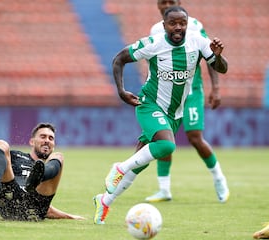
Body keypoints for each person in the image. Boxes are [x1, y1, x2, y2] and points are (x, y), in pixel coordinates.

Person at [93, 6, 228, 224]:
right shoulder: (153, 43)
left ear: (187, 23)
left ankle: (105, 201)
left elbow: (221, 68)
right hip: (150, 104)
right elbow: (119, 59)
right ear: (163, 25)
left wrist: (219, 57)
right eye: (173, 23)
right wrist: (121, 91)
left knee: (140, 163)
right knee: (167, 146)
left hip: (175, 113)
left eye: (182, 23)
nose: (178, 27)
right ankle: (119, 167)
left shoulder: (199, 41)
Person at [140, 0, 230, 203]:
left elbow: (211, 58)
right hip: (166, 94)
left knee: (195, 137)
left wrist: (215, 88)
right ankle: (164, 189)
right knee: (164, 138)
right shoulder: (156, 29)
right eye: (163, 2)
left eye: (171, 2)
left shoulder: (195, 26)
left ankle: (219, 178)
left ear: (179, 3)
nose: (166, 5)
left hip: (191, 91)